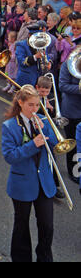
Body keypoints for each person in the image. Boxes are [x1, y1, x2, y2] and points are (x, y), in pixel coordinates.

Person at [2, 85, 58, 262]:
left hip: (44, 182)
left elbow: (56, 146)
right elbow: (10, 156)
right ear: (20, 103)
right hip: (22, 183)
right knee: (21, 225)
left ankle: (44, 258)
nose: (35, 109)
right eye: (31, 105)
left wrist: (46, 128)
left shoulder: (43, 119)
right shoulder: (9, 126)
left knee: (47, 226)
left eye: (37, 105)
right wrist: (33, 144)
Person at [59, 47, 81, 183]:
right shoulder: (69, 64)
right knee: (73, 143)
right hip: (71, 111)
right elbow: (62, 85)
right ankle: (74, 171)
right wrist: (79, 88)